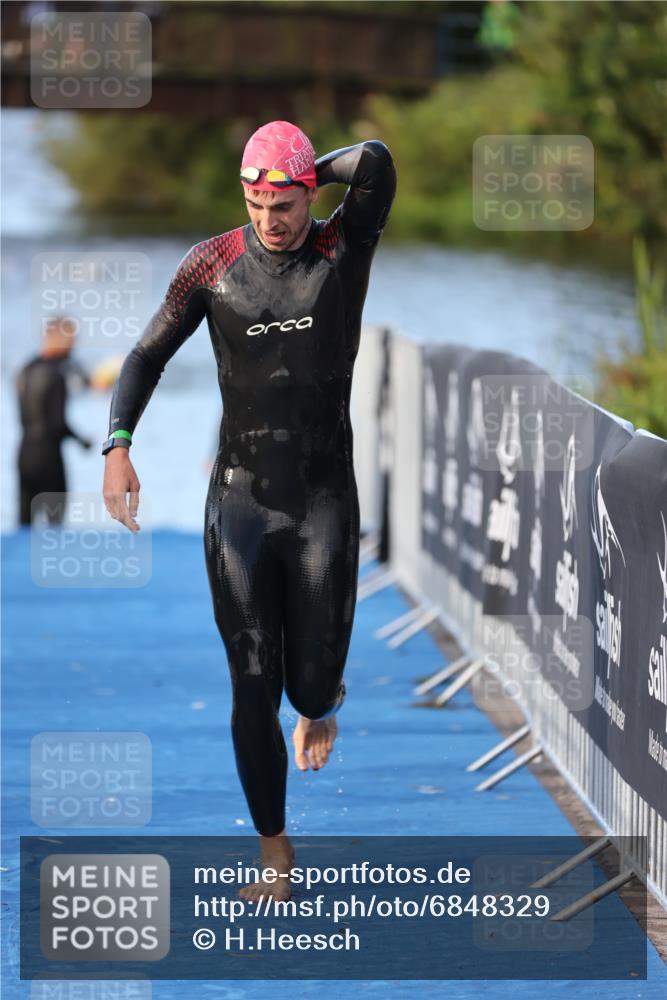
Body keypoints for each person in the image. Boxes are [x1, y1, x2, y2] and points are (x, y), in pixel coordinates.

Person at [102, 120, 396, 900]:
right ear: (243, 196)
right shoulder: (211, 264)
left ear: (308, 195)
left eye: (286, 202)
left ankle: (321, 701)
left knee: (308, 686)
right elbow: (144, 356)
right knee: (250, 681)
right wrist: (118, 447)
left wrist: (308, 166)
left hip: (324, 502)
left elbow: (375, 163)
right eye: (258, 202)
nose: (272, 220)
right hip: (237, 503)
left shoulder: (342, 249)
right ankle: (274, 853)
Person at [16, 316, 91, 526]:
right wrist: (82, 441)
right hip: (49, 457)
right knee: (55, 527)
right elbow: (57, 423)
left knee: (24, 525)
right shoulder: (56, 374)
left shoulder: (25, 369)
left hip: (24, 453)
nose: (73, 347)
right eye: (71, 341)